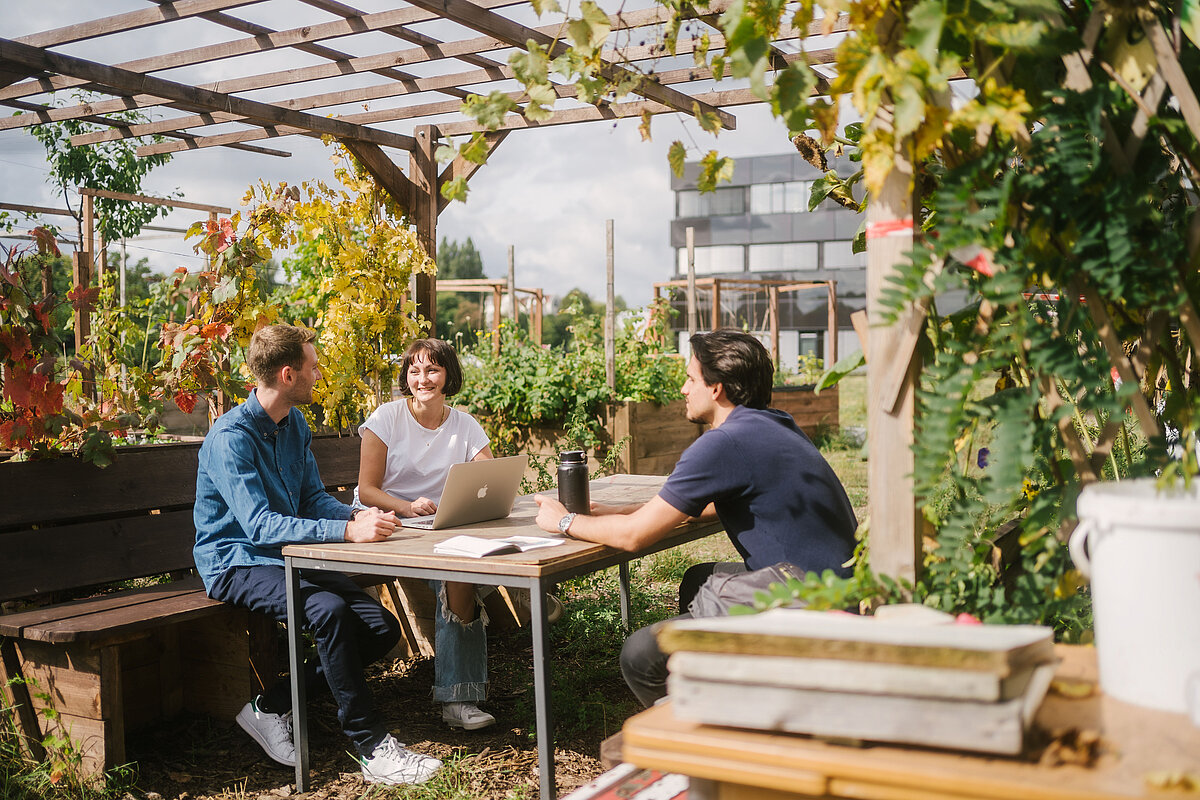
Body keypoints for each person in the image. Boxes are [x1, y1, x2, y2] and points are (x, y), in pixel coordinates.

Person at [533, 329, 858, 707]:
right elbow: (709, 505)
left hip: (813, 607)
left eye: (691, 379)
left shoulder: (723, 443)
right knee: (698, 578)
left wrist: (563, 521)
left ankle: (699, 735)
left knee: (640, 654)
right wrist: (619, 511)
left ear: (716, 388)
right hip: (842, 587)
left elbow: (635, 538)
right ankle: (718, 686)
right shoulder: (772, 423)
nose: (684, 390)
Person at [193, 324, 442, 786]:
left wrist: (368, 517)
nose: (319, 371)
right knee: (327, 610)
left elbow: (312, 500)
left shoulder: (294, 425)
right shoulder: (231, 439)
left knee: (379, 627)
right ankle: (371, 746)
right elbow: (261, 528)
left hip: (282, 556)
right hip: (236, 561)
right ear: (288, 375)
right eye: (313, 366)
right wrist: (347, 532)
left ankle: (269, 708)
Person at [354, 337, 496, 732]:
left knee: (460, 574)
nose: (423, 378)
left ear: (448, 374)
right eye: (414, 370)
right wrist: (407, 505)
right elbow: (367, 490)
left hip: (442, 525)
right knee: (461, 576)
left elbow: (489, 477)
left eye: (432, 369)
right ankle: (460, 697)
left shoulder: (464, 424)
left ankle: (458, 702)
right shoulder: (387, 418)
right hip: (391, 523)